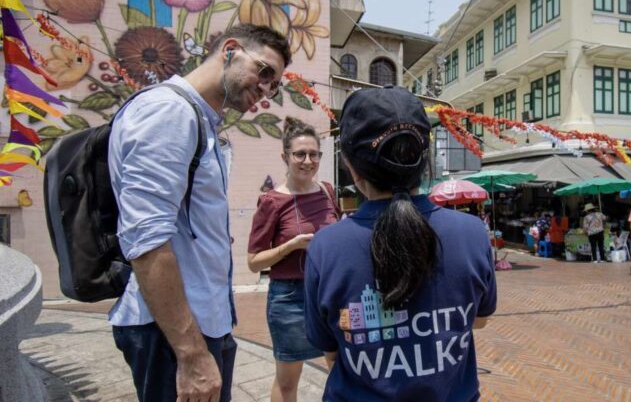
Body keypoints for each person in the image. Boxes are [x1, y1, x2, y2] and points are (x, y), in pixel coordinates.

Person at [108, 24, 291, 401]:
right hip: (173, 335)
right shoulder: (169, 112)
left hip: (197, 326)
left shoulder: (197, 119)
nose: (267, 89)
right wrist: (191, 354)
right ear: (230, 50)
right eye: (265, 72)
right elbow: (146, 240)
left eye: (276, 85)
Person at [303, 86, 497, 401]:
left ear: (350, 166)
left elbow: (331, 351)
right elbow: (481, 318)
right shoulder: (472, 232)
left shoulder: (326, 246)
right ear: (425, 160)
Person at [247, 117, 339, 401]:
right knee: (288, 380)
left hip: (330, 292)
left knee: (340, 369)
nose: (308, 160)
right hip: (290, 298)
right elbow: (254, 262)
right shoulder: (272, 201)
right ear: (285, 156)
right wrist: (291, 246)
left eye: (314, 154)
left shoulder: (326, 191)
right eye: (300, 154)